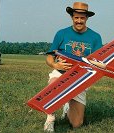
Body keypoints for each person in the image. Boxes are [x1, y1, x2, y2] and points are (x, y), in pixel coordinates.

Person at [44, 2, 102, 132]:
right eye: (76, 17)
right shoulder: (61, 33)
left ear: (87, 18)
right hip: (61, 74)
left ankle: (67, 106)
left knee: (76, 124)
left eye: (82, 18)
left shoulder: (95, 37)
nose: (79, 21)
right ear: (72, 17)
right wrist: (54, 64)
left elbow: (99, 61)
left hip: (80, 78)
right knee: (53, 85)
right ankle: (50, 118)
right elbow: (49, 57)